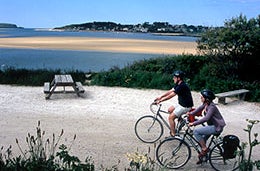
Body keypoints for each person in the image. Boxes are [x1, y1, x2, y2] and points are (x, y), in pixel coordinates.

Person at [188, 89, 226, 164]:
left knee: (196, 131)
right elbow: (199, 109)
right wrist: (190, 113)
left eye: (202, 97)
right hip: (213, 126)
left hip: (216, 127)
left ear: (207, 99)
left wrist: (194, 123)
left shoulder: (212, 107)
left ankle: (204, 149)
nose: (201, 98)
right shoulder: (206, 104)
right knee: (202, 140)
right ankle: (203, 157)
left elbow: (206, 118)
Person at [155, 70, 194, 137]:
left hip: (185, 106)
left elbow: (171, 96)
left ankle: (173, 134)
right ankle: (181, 121)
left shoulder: (182, 86)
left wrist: (160, 101)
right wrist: (160, 97)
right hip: (181, 104)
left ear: (179, 78)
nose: (173, 78)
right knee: (170, 110)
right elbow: (171, 91)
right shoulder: (178, 84)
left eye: (175, 77)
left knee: (171, 118)